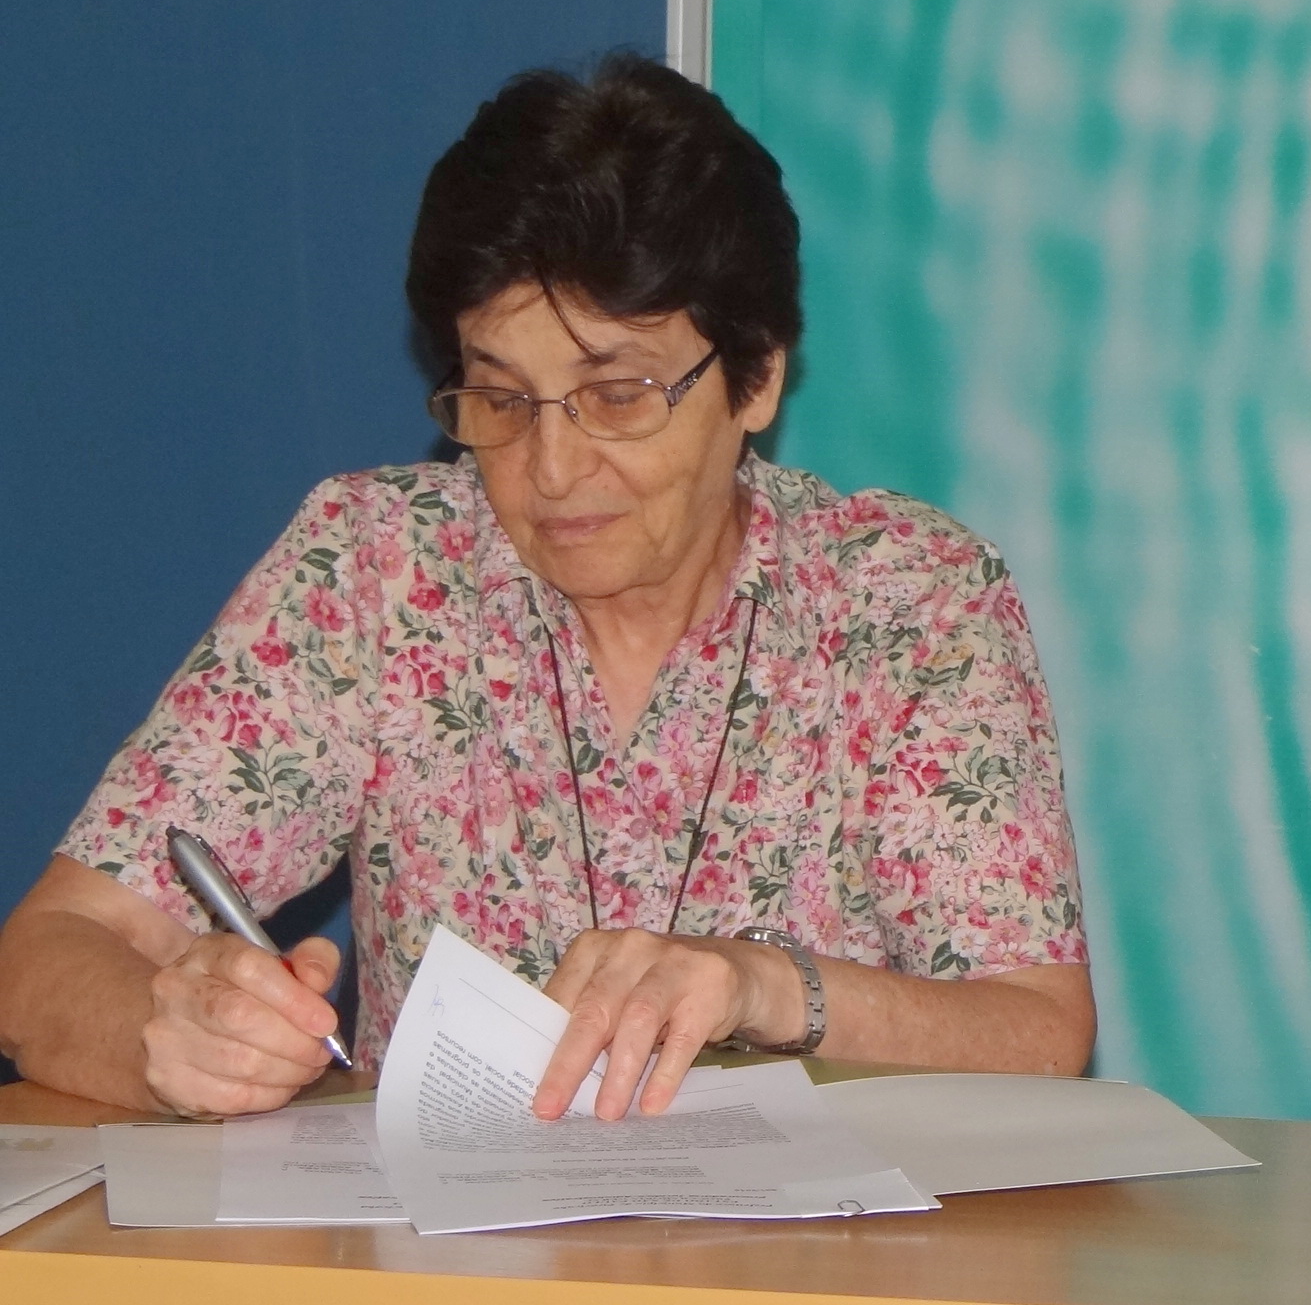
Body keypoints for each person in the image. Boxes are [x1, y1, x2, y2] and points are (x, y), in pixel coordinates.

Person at [0, 54, 1092, 1121]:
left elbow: (1036, 1032)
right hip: (434, 1243)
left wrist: (762, 986)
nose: (554, 471)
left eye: (617, 396)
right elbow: (49, 951)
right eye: (502, 401)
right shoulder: (378, 571)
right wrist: (168, 1041)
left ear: (756, 376)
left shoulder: (907, 600)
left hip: (822, 1242)